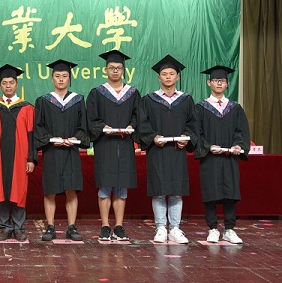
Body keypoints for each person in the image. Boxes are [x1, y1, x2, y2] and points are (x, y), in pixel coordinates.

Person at [138, 55, 198, 244]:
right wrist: (152, 137)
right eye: (164, 74)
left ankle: (175, 228)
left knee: (176, 190)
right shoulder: (149, 100)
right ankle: (161, 228)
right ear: (159, 77)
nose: (168, 77)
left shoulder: (186, 100)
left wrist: (187, 138)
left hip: (177, 151)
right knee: (159, 189)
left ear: (177, 77)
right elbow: (142, 123)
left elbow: (193, 124)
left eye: (171, 73)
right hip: (157, 151)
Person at [87, 50, 140, 241]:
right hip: (105, 144)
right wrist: (103, 127)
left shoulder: (132, 93)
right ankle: (104, 226)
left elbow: (138, 115)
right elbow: (91, 118)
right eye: (111, 68)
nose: (115, 71)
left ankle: (118, 226)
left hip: (124, 144)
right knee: (104, 186)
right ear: (106, 70)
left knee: (121, 187)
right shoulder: (97, 93)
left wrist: (132, 125)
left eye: (118, 68)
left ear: (123, 70)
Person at [34, 59, 89, 241]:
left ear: (69, 79)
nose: (61, 79)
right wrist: (51, 139)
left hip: (71, 151)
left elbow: (83, 126)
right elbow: (38, 126)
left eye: (64, 76)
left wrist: (75, 138)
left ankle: (71, 227)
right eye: (57, 76)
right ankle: (50, 227)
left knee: (71, 189)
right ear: (52, 79)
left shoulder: (78, 100)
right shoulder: (43, 101)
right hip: (52, 151)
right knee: (50, 190)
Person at [194, 66, 250, 244]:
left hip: (229, 158)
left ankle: (229, 229)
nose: (219, 83)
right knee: (210, 192)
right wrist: (208, 146)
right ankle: (212, 229)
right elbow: (196, 132)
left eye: (222, 81)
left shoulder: (235, 108)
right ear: (209, 83)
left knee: (230, 193)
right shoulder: (201, 108)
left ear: (227, 84)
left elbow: (241, 131)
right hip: (210, 158)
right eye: (216, 81)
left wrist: (238, 145)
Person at [0, 64, 37, 242]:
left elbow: (31, 135)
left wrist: (31, 159)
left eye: (11, 82)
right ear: (0, 85)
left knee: (19, 190)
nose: (8, 86)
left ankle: (19, 228)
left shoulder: (27, 108)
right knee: (0, 190)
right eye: (4, 83)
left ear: (16, 84)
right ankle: (5, 227)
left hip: (20, 157)